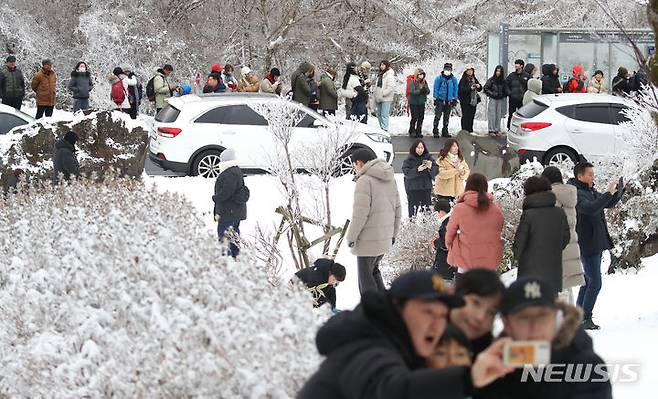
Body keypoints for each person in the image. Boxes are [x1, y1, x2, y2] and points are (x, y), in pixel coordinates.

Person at [298, 270, 515, 399]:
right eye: (427, 312)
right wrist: (469, 378)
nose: (479, 317)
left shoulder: (412, 339)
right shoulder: (370, 347)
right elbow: (391, 390)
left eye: (490, 312)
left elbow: (531, 358)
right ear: (398, 308)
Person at [478, 277, 613, 399]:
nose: (534, 327)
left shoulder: (585, 364)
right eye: (523, 319)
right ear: (506, 323)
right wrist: (473, 383)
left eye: (542, 316)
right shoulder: (493, 363)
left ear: (555, 317)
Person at [568, 162, 623, 330]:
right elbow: (591, 208)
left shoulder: (589, 190)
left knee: (587, 281)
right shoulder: (576, 193)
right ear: (580, 176)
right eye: (590, 174)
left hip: (595, 242)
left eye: (593, 173)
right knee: (595, 283)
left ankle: (578, 316)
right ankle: (585, 318)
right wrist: (607, 193)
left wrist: (619, 190)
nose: (593, 177)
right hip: (587, 244)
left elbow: (605, 203)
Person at [346, 148, 401, 294]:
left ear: (359, 163)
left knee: (365, 280)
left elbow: (360, 213)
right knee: (374, 271)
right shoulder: (390, 178)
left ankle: (370, 311)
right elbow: (398, 209)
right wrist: (393, 234)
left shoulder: (364, 181)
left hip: (367, 240)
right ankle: (384, 305)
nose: (354, 168)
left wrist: (351, 237)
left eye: (354, 165)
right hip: (385, 237)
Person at [512, 176, 570, 296]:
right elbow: (565, 238)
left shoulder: (528, 215)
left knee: (531, 309)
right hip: (553, 273)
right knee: (549, 309)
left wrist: (518, 256)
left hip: (530, 275)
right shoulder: (559, 213)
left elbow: (518, 246)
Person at [542, 166, 584, 304]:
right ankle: (570, 322)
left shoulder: (551, 197)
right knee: (565, 288)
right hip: (570, 246)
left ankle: (563, 322)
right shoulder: (569, 195)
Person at [446, 173, 504, 273]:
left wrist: (451, 247)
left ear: (467, 186)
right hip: (489, 264)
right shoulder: (496, 210)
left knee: (464, 288)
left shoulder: (460, 209)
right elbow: (498, 231)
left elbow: (450, 233)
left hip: (465, 262)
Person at [450, 269, 506, 357]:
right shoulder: (424, 336)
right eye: (476, 303)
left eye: (491, 312)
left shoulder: (494, 357)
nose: (480, 317)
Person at [212, 148, 250, 259]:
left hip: (228, 211)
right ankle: (235, 255)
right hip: (234, 211)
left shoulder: (229, 174)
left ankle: (226, 257)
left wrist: (216, 198)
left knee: (224, 234)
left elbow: (227, 192)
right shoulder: (235, 171)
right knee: (234, 233)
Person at [402, 139, 435, 217]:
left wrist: (430, 168)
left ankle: (426, 227)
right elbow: (406, 173)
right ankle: (411, 227)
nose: (420, 150)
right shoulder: (409, 159)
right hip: (413, 189)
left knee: (426, 213)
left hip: (426, 188)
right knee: (413, 212)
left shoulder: (428, 158)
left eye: (422, 148)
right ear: (414, 148)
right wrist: (417, 170)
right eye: (418, 148)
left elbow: (436, 171)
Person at [432, 63, 459, 138]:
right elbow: (435, 88)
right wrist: (435, 98)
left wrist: (455, 98)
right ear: (443, 69)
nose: (447, 71)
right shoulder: (439, 78)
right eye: (446, 69)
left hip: (449, 101)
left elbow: (455, 89)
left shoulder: (453, 79)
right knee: (438, 115)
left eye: (449, 69)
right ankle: (435, 130)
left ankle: (445, 130)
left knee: (446, 116)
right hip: (440, 100)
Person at [431, 200, 455, 285]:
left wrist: (435, 242)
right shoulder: (453, 219)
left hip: (445, 262)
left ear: (441, 211)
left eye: (437, 213)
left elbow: (446, 243)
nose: (437, 215)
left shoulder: (446, 224)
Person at [484, 65, 508, 137]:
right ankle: (491, 129)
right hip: (493, 99)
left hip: (500, 99)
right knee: (492, 114)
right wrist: (492, 94)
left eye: (499, 71)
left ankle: (497, 129)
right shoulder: (491, 80)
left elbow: (506, 90)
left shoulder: (503, 81)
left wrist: (504, 94)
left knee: (498, 114)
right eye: (497, 71)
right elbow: (486, 88)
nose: (498, 73)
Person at [457, 65, 482, 133]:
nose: (470, 71)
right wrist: (470, 89)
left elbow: (480, 88)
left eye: (471, 70)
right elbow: (461, 90)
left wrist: (478, 86)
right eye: (468, 70)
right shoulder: (463, 79)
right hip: (465, 101)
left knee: (471, 116)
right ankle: (464, 130)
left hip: (473, 101)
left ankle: (470, 130)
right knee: (465, 116)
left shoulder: (474, 78)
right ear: (466, 71)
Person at [506, 59, 528, 130]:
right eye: (515, 64)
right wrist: (509, 93)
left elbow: (529, 86)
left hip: (522, 99)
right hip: (513, 99)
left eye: (517, 64)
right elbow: (506, 85)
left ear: (521, 66)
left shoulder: (526, 75)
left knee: (522, 115)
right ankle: (509, 128)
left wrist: (526, 95)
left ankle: (521, 128)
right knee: (511, 114)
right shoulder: (511, 75)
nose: (515, 65)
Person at [407, 68, 430, 137]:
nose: (421, 76)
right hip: (414, 102)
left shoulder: (424, 82)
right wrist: (420, 91)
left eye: (422, 74)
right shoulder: (412, 82)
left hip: (422, 102)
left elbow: (428, 91)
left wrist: (425, 90)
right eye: (420, 74)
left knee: (421, 117)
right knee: (414, 117)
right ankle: (412, 130)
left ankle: (419, 131)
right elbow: (411, 91)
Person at [373, 60, 395, 131]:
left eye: (383, 65)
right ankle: (381, 128)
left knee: (384, 114)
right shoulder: (380, 75)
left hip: (386, 98)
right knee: (379, 114)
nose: (381, 66)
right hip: (378, 97)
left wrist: (382, 94)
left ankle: (385, 129)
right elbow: (377, 86)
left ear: (387, 66)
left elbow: (390, 87)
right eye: (381, 65)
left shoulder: (390, 75)